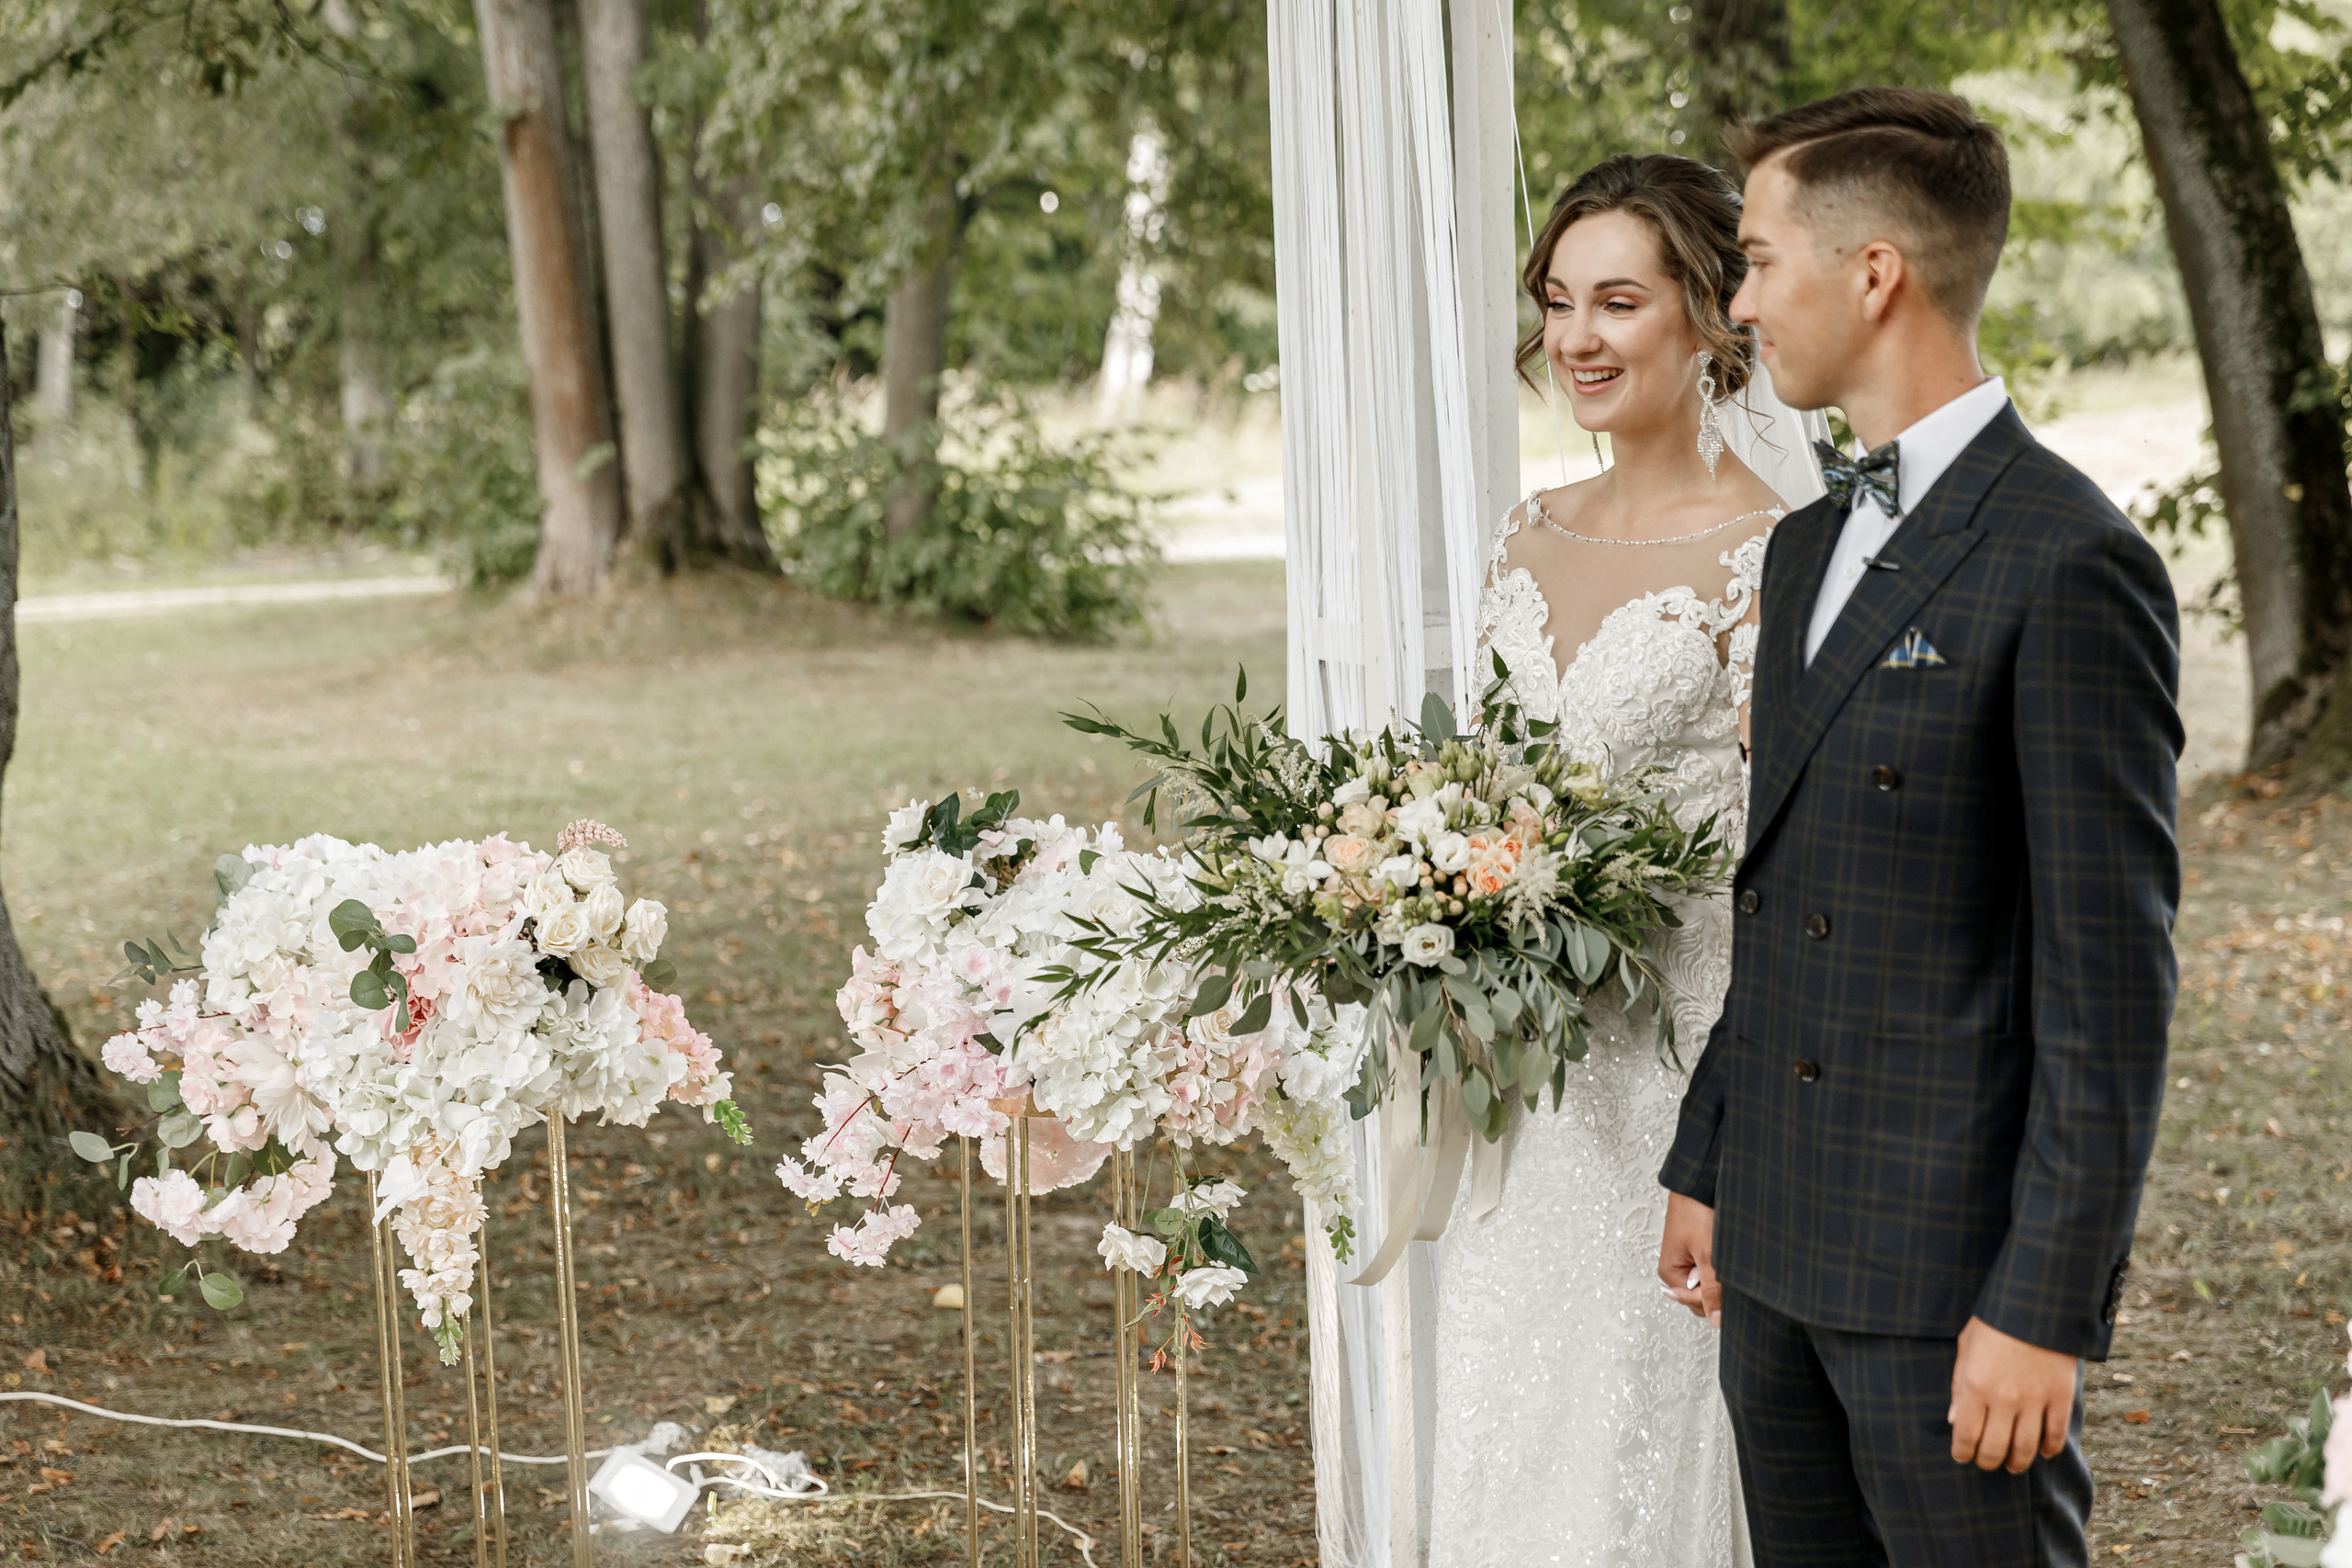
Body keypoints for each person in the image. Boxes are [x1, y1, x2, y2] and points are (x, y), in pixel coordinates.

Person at [1655, 87, 2182, 1567]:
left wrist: (2043, 1307)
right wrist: (1709, 1158)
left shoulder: (2072, 559)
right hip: (1773, 1255)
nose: (1742, 301)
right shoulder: (1805, 540)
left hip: (1953, 1284)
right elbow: (1782, 883)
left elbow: (2111, 984)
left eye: (1757, 262)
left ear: (1873, 271)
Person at [1425, 152, 1823, 1568]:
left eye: (1618, 302)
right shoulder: (1526, 534)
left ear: (1713, 319)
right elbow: (1484, 785)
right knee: (1511, 1394)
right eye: (1559, 303)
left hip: (1684, 1054)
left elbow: (1792, 847)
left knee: (1651, 1422)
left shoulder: (1777, 555)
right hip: (1531, 1069)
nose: (1579, 338)